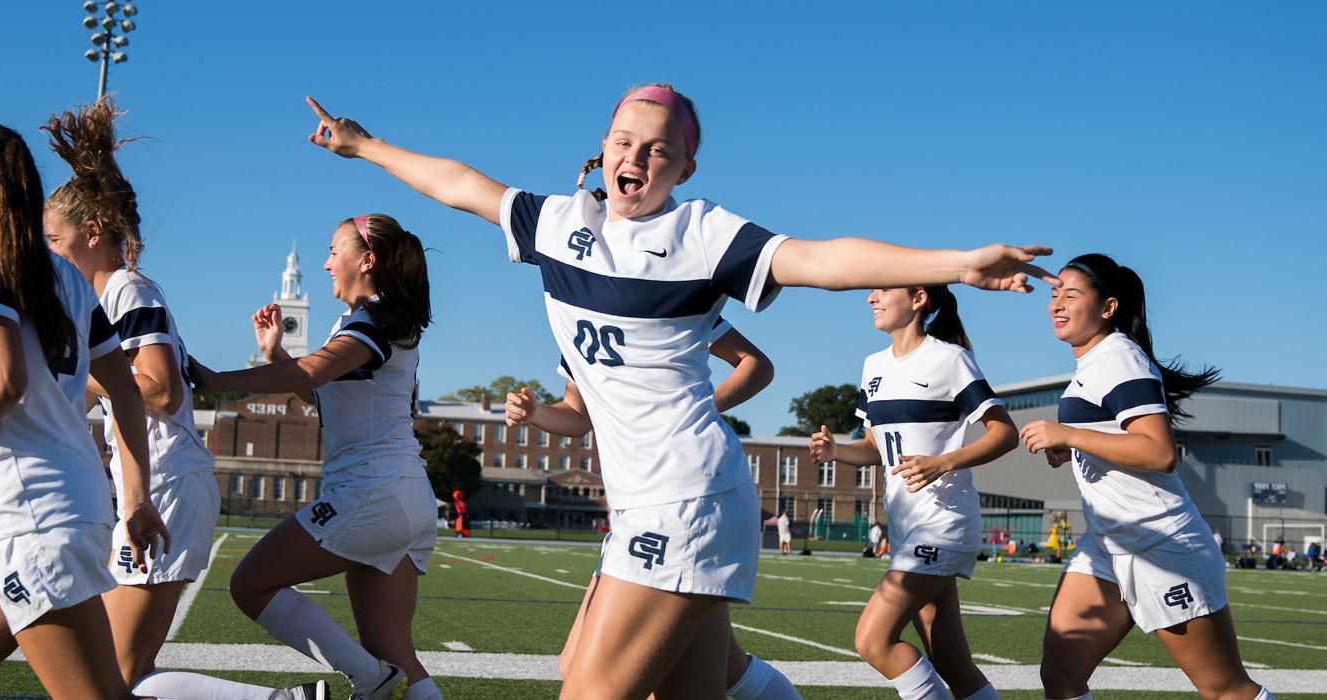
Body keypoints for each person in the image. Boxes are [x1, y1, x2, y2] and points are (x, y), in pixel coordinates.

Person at [304, 83, 1049, 698]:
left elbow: (820, 258)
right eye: (626, 140)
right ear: (603, 148)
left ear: (684, 169)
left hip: (687, 499)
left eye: (659, 148)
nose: (638, 157)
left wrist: (955, 262)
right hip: (649, 505)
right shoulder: (560, 223)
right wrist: (363, 146)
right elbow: (462, 185)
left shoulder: (704, 235)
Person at [39, 100, 327, 700]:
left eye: (55, 239)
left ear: (92, 234)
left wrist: (72, 377)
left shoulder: (128, 291)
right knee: (117, 673)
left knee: (118, 676)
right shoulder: (105, 303)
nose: (49, 253)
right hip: (161, 483)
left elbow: (162, 391)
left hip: (168, 483)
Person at [0, 121, 168, 700]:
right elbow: (123, 391)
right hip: (50, 511)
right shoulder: (67, 276)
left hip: (37, 518)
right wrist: (138, 499)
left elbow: (4, 380)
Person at [191, 214, 439, 700]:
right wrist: (275, 356)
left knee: (250, 585)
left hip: (373, 491)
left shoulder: (371, 318)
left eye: (334, 251)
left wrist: (216, 380)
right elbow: (321, 393)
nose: (326, 263)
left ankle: (369, 680)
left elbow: (313, 373)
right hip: (407, 494)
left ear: (366, 260)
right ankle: (380, 675)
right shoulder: (378, 318)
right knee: (398, 657)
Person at [1017, 254, 1274, 700]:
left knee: (1225, 690)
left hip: (1161, 545)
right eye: (1054, 293)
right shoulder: (1095, 361)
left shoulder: (1118, 357)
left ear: (1108, 307)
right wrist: (1073, 445)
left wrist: (1069, 433)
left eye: (1071, 295)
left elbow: (1158, 451)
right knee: (1061, 676)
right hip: (1107, 544)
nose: (1056, 304)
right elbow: (1114, 437)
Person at [515, 317, 802, 700]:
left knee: (594, 675)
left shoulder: (664, 284)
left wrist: (696, 411)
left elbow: (755, 363)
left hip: (676, 499)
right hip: (639, 506)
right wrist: (536, 415)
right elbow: (578, 413)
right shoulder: (574, 306)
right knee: (715, 675)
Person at [810, 285, 1017, 700]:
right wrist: (836, 451)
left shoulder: (950, 359)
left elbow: (1005, 433)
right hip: (907, 528)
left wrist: (943, 461)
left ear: (919, 298)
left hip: (943, 524)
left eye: (884, 289)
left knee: (873, 640)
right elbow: (873, 447)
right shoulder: (872, 366)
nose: (872, 298)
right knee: (952, 664)